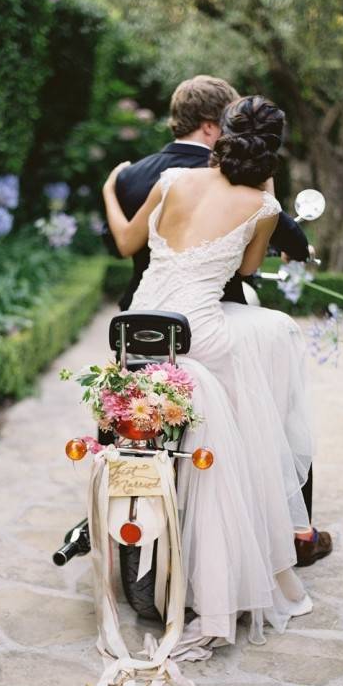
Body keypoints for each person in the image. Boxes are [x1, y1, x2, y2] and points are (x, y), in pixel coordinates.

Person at [102, 95, 322, 647]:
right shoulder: (262, 205)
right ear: (272, 148)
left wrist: (110, 190)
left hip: (138, 329)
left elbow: (128, 240)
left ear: (219, 133)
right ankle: (257, 536)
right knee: (269, 345)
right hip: (199, 331)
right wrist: (266, 197)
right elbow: (247, 269)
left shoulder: (174, 179)